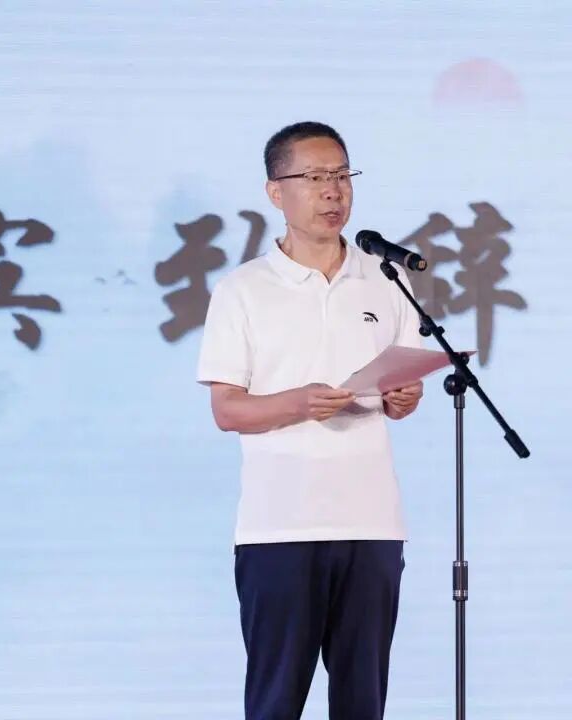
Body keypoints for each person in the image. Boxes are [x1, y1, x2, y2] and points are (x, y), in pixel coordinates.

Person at [196, 121, 424, 720]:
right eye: (316, 177)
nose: (333, 191)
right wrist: (298, 402)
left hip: (373, 523)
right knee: (275, 701)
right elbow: (227, 410)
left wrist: (405, 397)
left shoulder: (386, 280)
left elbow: (401, 388)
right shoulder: (243, 289)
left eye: (343, 176)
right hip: (280, 528)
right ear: (276, 192)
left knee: (363, 701)